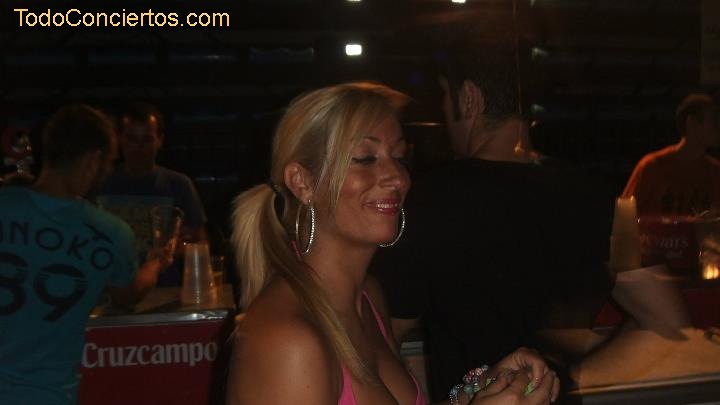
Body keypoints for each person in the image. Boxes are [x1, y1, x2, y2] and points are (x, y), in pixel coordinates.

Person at [369, 37, 689, 401]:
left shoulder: (426, 200)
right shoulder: (600, 197)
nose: (443, 110)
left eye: (445, 95)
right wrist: (575, 377)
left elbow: (379, 343)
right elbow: (668, 323)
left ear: (469, 97)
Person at [225, 82, 559, 405]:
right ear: (303, 183)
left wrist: (476, 393)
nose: (397, 178)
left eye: (398, 156)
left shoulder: (369, 297)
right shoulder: (286, 341)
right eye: (364, 158)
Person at [0, 105, 170, 404]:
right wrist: (155, 264)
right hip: (46, 395)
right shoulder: (110, 232)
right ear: (93, 161)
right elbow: (127, 295)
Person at [94, 102, 207, 285]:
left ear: (159, 140)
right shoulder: (99, 181)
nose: (139, 147)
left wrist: (179, 248)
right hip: (110, 289)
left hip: (163, 290)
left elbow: (200, 245)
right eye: (132, 139)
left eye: (146, 140)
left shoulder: (179, 185)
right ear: (120, 139)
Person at [622, 93, 720, 217]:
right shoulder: (653, 166)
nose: (718, 126)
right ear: (692, 123)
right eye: (714, 121)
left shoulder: (715, 172)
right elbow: (625, 215)